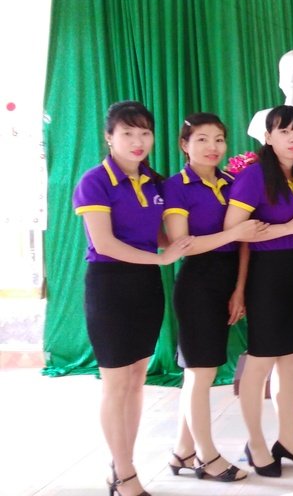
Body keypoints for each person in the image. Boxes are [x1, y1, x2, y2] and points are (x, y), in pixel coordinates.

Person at [72, 101, 192, 496]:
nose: (138, 141)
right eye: (127, 133)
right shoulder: (95, 181)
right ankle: (124, 474)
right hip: (109, 287)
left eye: (145, 133)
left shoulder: (155, 183)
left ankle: (121, 465)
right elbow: (104, 243)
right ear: (109, 137)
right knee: (116, 382)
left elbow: (159, 235)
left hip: (146, 287)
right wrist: (162, 258)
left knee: (137, 379)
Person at [163, 113, 267, 483]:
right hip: (197, 283)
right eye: (202, 139)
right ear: (184, 145)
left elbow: (245, 242)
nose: (212, 147)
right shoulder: (177, 186)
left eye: (219, 139)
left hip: (228, 280)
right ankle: (207, 456)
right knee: (200, 373)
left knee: (202, 370)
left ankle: (182, 451)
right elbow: (182, 244)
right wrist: (234, 233)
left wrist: (239, 289)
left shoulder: (231, 182)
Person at [224, 105, 293, 477]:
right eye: (284, 131)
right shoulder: (254, 176)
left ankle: (288, 440)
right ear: (268, 137)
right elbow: (234, 229)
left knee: (291, 360)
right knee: (261, 362)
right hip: (265, 274)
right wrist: (290, 227)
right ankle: (255, 443)